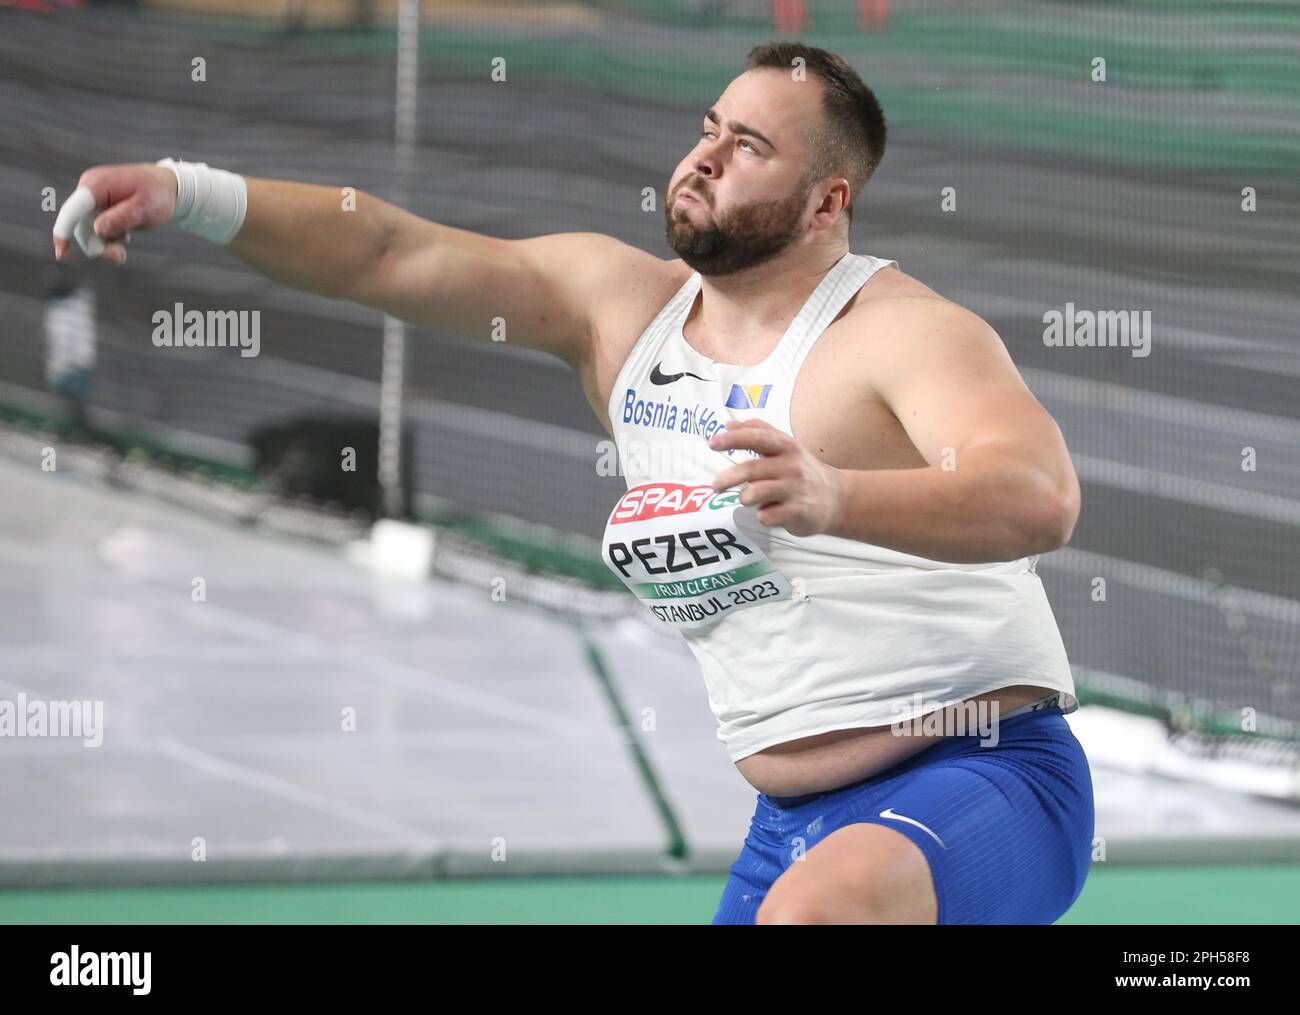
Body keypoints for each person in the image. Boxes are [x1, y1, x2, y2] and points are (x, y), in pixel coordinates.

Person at [51, 40, 1094, 925]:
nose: (702, 159)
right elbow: (384, 251)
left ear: (829, 199)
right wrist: (188, 191)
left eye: (749, 146)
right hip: (789, 823)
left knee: (817, 915)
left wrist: (837, 496)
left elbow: (1036, 494)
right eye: (709, 127)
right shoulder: (619, 312)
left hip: (989, 774)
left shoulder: (900, 333)